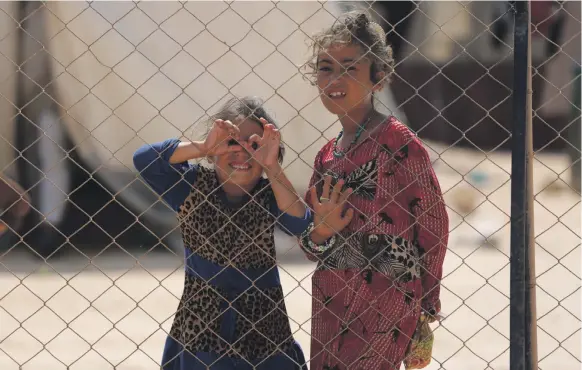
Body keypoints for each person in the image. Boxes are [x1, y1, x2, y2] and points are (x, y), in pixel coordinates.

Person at [299, 11, 449, 370]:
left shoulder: (397, 142)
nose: (334, 79)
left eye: (349, 68)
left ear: (378, 79)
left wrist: (426, 302)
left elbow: (432, 223)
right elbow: (310, 240)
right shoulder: (326, 155)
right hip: (332, 296)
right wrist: (321, 231)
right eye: (325, 67)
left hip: (388, 296)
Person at [133, 97, 308, 370]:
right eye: (230, 143)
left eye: (254, 145)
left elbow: (299, 224)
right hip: (203, 328)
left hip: (263, 328)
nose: (241, 153)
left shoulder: (269, 195)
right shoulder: (190, 186)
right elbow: (144, 160)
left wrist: (273, 167)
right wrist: (201, 147)